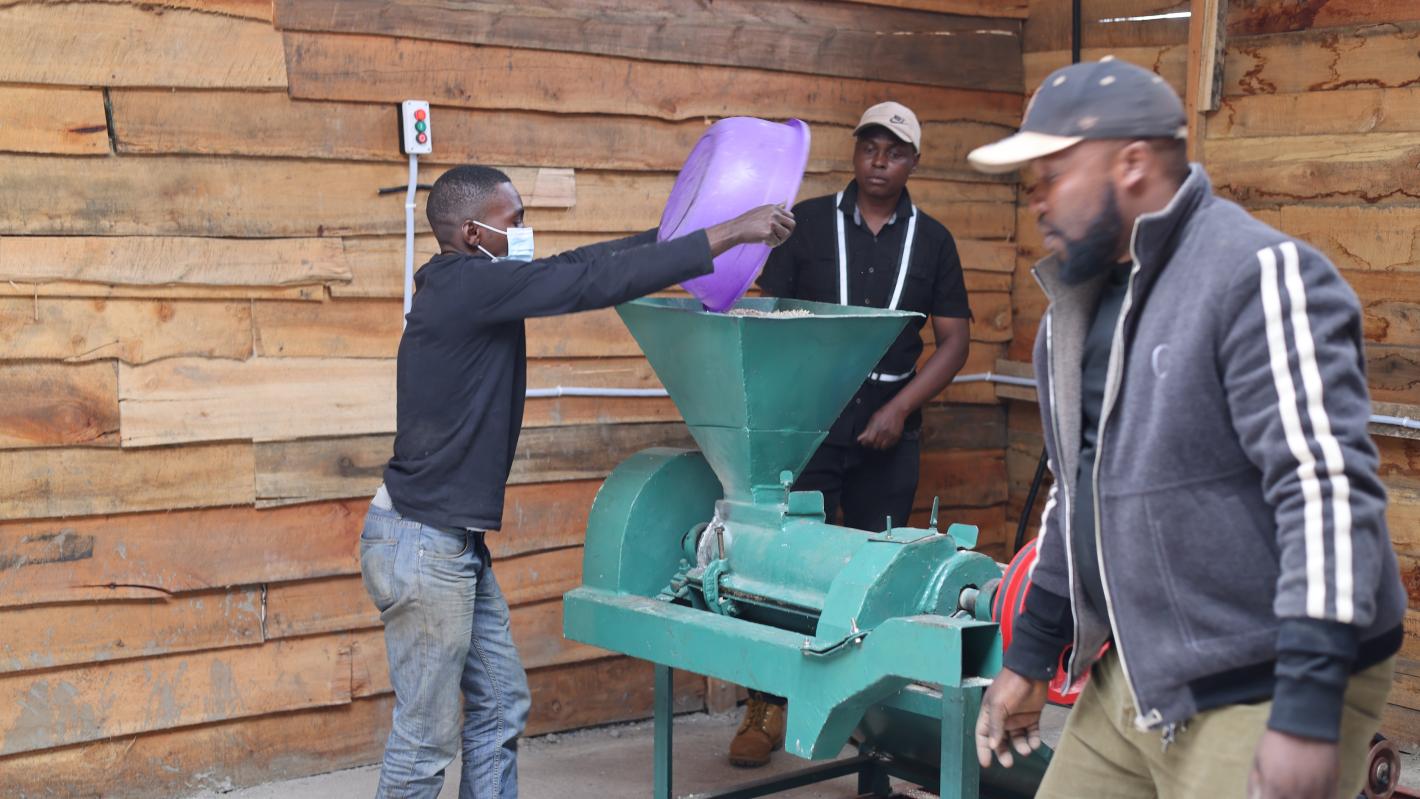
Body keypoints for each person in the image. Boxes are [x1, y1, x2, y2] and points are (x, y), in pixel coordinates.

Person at [967, 58, 1404, 799]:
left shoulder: (1255, 275)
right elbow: (1075, 498)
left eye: (1051, 175)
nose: (1036, 201)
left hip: (1271, 670)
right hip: (1146, 663)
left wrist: (1304, 710)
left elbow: (1325, 495)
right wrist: (1030, 657)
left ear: (1131, 163)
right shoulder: (1066, 319)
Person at [358, 164, 795, 798]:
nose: (526, 231)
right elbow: (587, 281)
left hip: (449, 545)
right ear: (472, 233)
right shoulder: (464, 287)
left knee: (501, 705)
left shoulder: (479, 282)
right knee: (425, 739)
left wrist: (679, 233)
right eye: (514, 220)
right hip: (422, 546)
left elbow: (581, 261)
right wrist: (727, 234)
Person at [727, 101, 973, 768]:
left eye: (894, 151)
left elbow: (954, 341)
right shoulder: (807, 222)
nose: (879, 161)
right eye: (869, 147)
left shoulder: (933, 240)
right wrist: (788, 406)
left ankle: (873, 718)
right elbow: (770, 313)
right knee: (781, 562)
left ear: (913, 161)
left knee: (879, 571)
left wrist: (899, 409)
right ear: (854, 152)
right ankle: (766, 703)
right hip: (810, 422)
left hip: (889, 426)